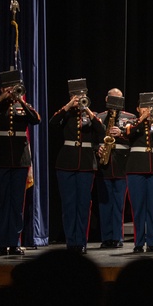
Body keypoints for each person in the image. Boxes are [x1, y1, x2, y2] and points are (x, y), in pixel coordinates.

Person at [0, 70, 41, 256]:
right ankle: (1, 243)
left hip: (20, 160)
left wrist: (20, 99)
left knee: (16, 203)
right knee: (1, 202)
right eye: (9, 87)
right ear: (2, 88)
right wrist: (2, 98)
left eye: (15, 87)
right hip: (0, 159)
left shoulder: (24, 105)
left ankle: (14, 243)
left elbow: (35, 119)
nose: (13, 90)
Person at [50, 83, 105, 254]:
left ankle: (81, 242)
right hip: (66, 163)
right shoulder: (66, 114)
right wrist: (67, 107)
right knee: (68, 205)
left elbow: (101, 130)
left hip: (86, 164)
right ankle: (70, 242)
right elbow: (52, 124)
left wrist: (87, 110)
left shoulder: (92, 115)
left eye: (82, 95)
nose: (79, 98)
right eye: (76, 96)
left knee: (83, 205)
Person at [124, 94, 153, 253]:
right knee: (138, 207)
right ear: (138, 109)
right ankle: (138, 243)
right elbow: (128, 135)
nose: (147, 109)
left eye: (150, 107)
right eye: (144, 107)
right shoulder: (131, 123)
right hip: (136, 168)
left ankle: (151, 241)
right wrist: (142, 119)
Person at [95, 88, 135, 249]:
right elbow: (93, 138)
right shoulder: (99, 117)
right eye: (113, 99)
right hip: (104, 164)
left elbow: (136, 138)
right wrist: (97, 148)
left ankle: (117, 237)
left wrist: (122, 133)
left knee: (119, 203)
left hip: (121, 164)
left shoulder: (130, 118)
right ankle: (106, 238)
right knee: (104, 203)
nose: (115, 102)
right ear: (107, 99)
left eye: (119, 99)